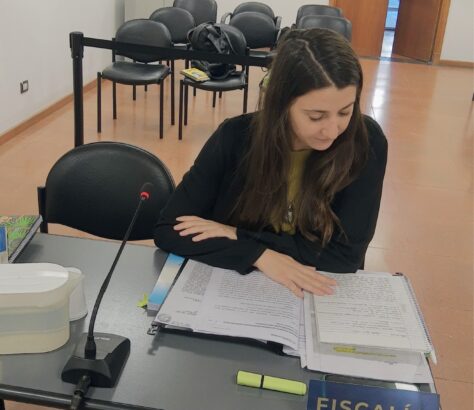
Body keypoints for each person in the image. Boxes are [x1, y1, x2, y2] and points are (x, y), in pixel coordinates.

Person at [154, 28, 388, 298]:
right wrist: (259, 255)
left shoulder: (365, 142)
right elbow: (169, 229)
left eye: (345, 111)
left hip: (317, 292)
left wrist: (237, 235)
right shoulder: (235, 137)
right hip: (238, 291)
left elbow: (344, 257)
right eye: (316, 116)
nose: (332, 130)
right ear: (281, 104)